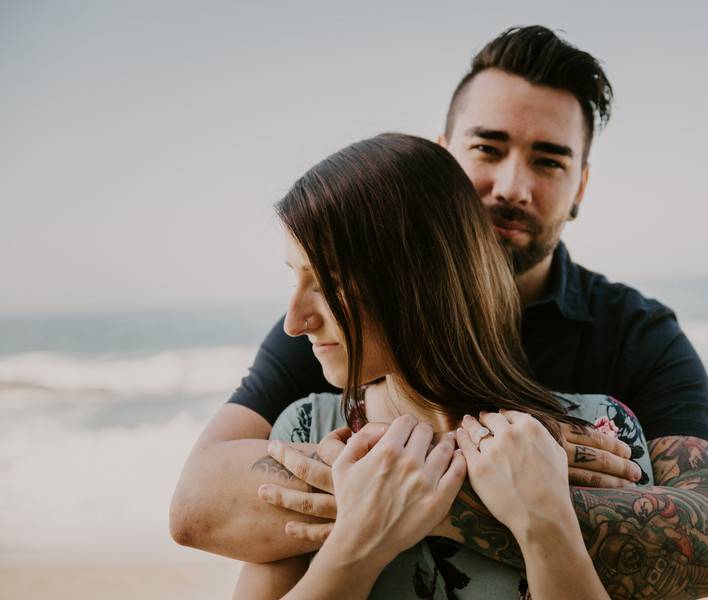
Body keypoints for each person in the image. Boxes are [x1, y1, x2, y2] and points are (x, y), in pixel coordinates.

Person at [170, 25, 708, 598]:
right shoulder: (337, 336)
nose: (512, 186)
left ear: (581, 187)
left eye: (549, 162)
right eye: (488, 149)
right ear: (442, 160)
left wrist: (499, 487)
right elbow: (197, 502)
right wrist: (389, 485)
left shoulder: (636, 337)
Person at [234, 132, 644, 598]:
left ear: (419, 281)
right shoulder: (309, 432)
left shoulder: (603, 437)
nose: (294, 322)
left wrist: (546, 528)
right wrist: (356, 545)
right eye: (295, 277)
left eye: (328, 282)